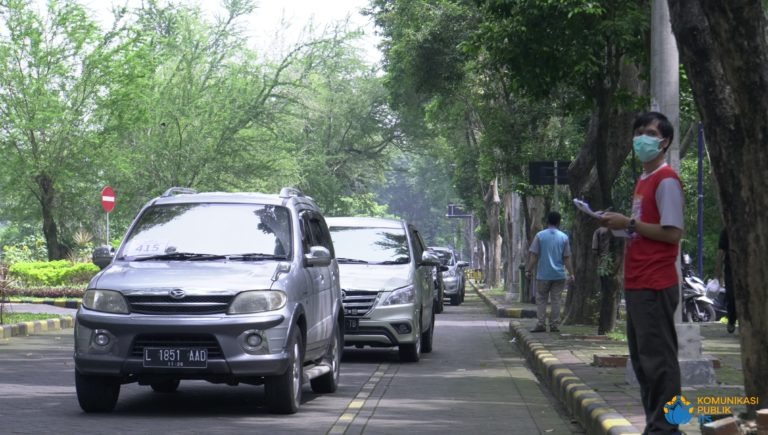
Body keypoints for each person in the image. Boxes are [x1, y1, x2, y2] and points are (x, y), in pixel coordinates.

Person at [600, 111, 684, 435]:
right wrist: (617, 225)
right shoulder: (644, 180)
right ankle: (655, 425)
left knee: (659, 362)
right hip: (637, 282)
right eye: (638, 133)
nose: (641, 139)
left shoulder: (666, 180)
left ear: (664, 142)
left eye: (649, 133)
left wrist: (630, 223)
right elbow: (642, 228)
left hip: (655, 282)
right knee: (643, 362)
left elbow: (672, 233)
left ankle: (668, 428)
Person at [525, 211, 574, 333]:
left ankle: (541, 324)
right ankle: (554, 325)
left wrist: (528, 270)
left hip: (543, 275)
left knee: (541, 299)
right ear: (559, 222)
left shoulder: (540, 236)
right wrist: (571, 273)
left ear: (547, 221)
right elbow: (567, 258)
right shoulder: (564, 237)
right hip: (559, 275)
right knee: (556, 300)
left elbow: (534, 256)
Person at [715, 228, 737, 333]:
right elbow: (721, 251)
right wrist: (718, 272)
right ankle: (732, 319)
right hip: (731, 269)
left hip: (749, 268)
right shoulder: (726, 231)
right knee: (731, 296)